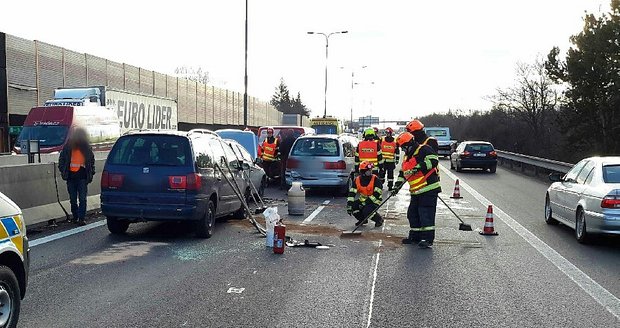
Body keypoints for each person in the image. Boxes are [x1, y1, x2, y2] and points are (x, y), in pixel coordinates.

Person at [393, 132, 441, 249]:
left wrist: (420, 166)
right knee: (412, 214)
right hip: (416, 191)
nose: (404, 150)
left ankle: (427, 239)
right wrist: (397, 186)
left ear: (410, 143)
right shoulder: (407, 157)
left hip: (428, 188)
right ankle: (415, 237)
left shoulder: (424, 149)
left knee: (425, 214)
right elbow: (402, 173)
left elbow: (434, 160)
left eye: (404, 147)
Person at [58, 128, 95, 226]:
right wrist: (63, 171)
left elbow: (91, 162)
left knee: (82, 199)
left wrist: (91, 172)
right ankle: (76, 217)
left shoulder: (86, 148)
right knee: (73, 199)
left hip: (82, 178)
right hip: (71, 177)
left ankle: (81, 218)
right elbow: (62, 160)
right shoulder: (68, 147)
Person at [347, 161, 384, 227]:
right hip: (363, 200)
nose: (371, 171)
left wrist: (365, 203)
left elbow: (376, 194)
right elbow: (352, 193)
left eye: (371, 170)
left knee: (367, 210)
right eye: (369, 170)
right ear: (363, 172)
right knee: (354, 206)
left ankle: (379, 219)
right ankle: (362, 220)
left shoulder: (375, 179)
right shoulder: (357, 180)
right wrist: (349, 205)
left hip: (375, 200)